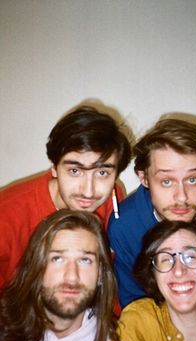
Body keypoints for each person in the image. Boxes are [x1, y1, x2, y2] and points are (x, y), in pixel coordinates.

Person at [108, 117, 196, 307]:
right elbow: (135, 305)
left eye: (192, 179)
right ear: (144, 178)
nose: (182, 197)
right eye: (167, 181)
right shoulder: (125, 226)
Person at [0, 209, 118, 341]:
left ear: (101, 274)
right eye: (57, 258)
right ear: (37, 266)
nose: (72, 277)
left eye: (85, 260)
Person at [0, 104, 132, 288]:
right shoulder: (6, 214)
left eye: (102, 173)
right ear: (54, 167)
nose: (88, 191)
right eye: (75, 171)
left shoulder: (113, 198)